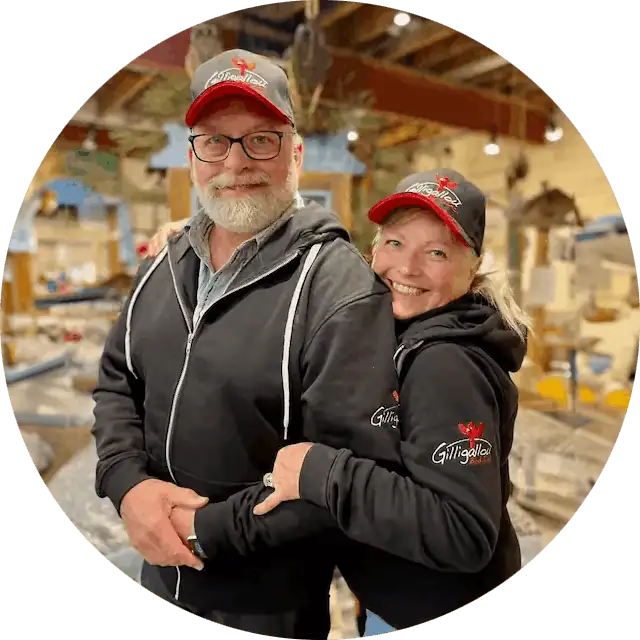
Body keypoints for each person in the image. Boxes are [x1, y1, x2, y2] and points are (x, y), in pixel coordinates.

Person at [91, 48, 404, 639]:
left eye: (260, 139)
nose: (236, 162)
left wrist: (202, 530)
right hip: (156, 581)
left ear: (296, 153)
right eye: (215, 141)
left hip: (265, 607)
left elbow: (354, 474)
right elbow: (116, 383)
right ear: (192, 157)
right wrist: (126, 484)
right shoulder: (165, 263)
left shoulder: (339, 290)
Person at [146, 169, 532, 632]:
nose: (407, 269)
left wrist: (325, 472)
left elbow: (463, 532)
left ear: (474, 268)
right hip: (400, 601)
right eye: (394, 243)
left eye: (436, 253)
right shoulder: (398, 329)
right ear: (374, 247)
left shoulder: (446, 364)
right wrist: (206, 239)